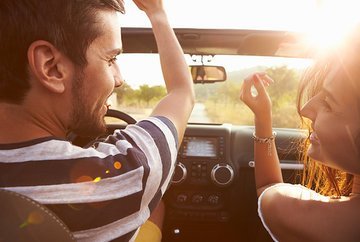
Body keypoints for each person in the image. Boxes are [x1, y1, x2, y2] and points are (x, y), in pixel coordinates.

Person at [0, 0, 194, 241]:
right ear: (51, 67)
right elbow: (182, 93)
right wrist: (157, 13)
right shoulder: (124, 176)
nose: (119, 78)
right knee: (156, 207)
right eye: (111, 59)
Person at [239, 27, 360, 241]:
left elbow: (269, 189)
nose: (305, 109)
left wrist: (262, 117)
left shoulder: (313, 220)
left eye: (328, 103)